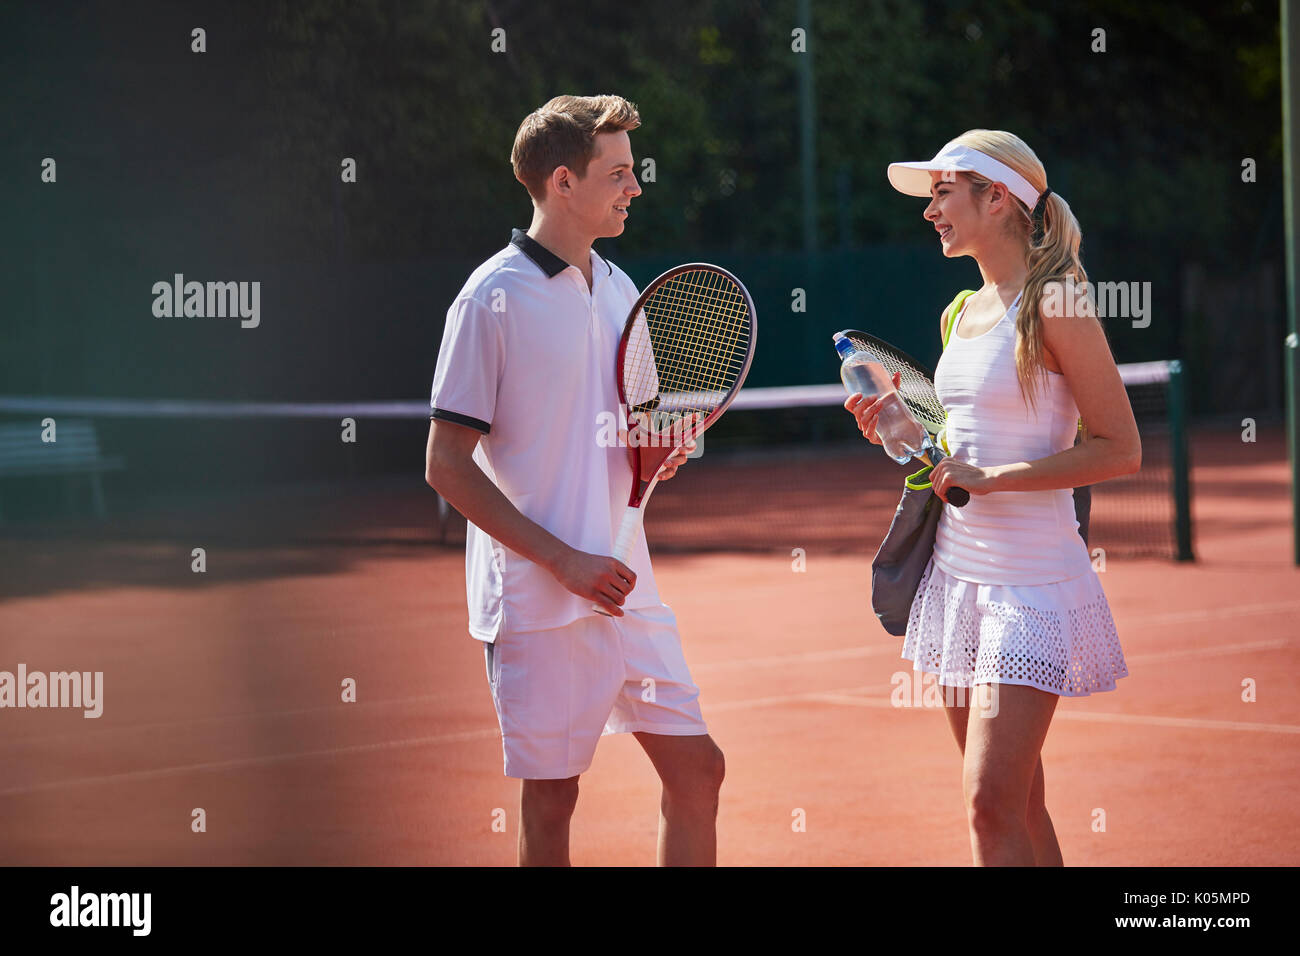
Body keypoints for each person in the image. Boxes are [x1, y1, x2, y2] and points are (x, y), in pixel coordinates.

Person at [424, 95, 724, 867]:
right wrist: (563, 561)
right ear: (563, 181)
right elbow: (446, 464)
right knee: (554, 799)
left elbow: (636, 432)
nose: (636, 187)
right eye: (618, 173)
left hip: (630, 584)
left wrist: (660, 450)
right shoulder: (490, 298)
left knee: (698, 769)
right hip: (539, 600)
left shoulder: (624, 290)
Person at [846, 130, 1139, 866]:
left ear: (996, 197)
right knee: (1018, 806)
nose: (930, 210)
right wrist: (903, 431)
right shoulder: (959, 312)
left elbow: (1120, 447)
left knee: (987, 805)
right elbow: (959, 448)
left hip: (1033, 584)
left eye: (944, 192)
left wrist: (995, 481)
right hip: (954, 581)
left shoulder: (1056, 301)